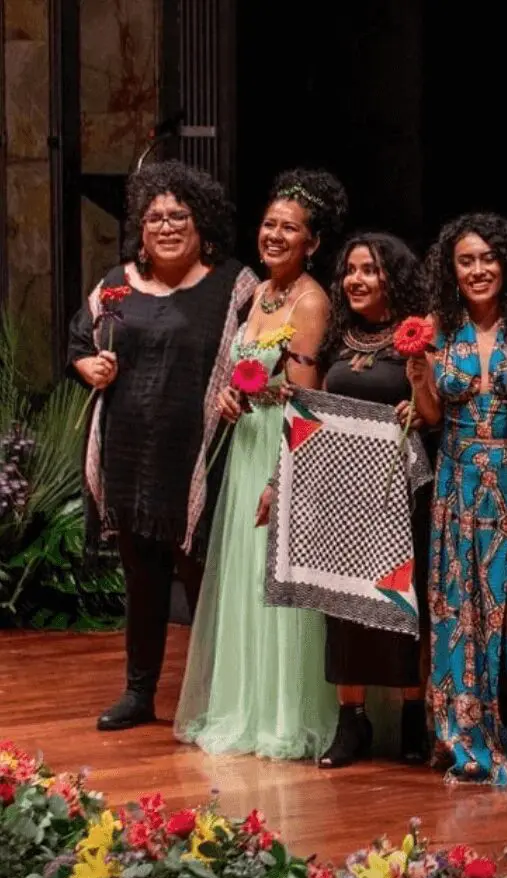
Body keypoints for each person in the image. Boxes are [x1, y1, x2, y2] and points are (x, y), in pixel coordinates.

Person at [70, 161, 258, 732]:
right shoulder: (116, 284)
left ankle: (213, 700)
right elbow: (80, 340)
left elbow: (259, 358)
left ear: (202, 225)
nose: (167, 226)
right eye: (155, 216)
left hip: (201, 462)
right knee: (142, 579)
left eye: (180, 215)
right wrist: (89, 365)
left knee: (205, 582)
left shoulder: (234, 285)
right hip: (130, 460)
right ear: (140, 227)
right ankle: (138, 693)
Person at [174, 168, 346, 760]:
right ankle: (242, 704)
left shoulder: (311, 302)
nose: (274, 235)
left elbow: (302, 400)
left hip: (282, 451)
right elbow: (250, 375)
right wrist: (230, 398)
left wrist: (282, 478)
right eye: (269, 224)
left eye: (289, 228)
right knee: (248, 581)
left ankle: (282, 715)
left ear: (312, 243)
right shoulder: (258, 295)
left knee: (280, 582)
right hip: (245, 442)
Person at [413, 213, 507, 786]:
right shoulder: (436, 330)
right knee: (459, 608)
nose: (477, 270)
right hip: (457, 479)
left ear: (506, 264)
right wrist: (418, 373)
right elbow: (431, 417)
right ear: (453, 269)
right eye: (466, 260)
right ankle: (463, 736)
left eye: (487, 259)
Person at [307, 231, 434, 768]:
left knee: (402, 600)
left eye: (369, 270)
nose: (355, 280)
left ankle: (411, 719)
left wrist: (416, 407)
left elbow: (436, 415)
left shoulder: (418, 338)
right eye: (350, 271)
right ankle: (351, 723)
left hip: (399, 492)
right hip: (341, 491)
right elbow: (311, 406)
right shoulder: (337, 338)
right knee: (343, 606)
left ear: (394, 279)